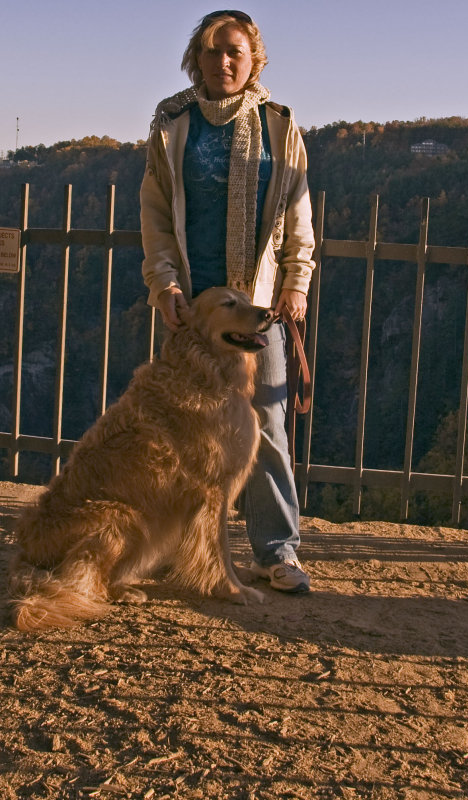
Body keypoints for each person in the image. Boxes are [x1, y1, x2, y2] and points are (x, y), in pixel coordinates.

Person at [140, 10, 315, 593]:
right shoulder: (173, 125)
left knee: (264, 421)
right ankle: (176, 546)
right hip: (193, 308)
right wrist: (164, 284)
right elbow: (158, 217)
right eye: (213, 52)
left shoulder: (278, 126)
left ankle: (276, 551)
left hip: (256, 305)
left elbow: (297, 215)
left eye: (235, 51)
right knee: (178, 427)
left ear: (254, 57)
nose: (224, 62)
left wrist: (295, 283)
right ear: (197, 59)